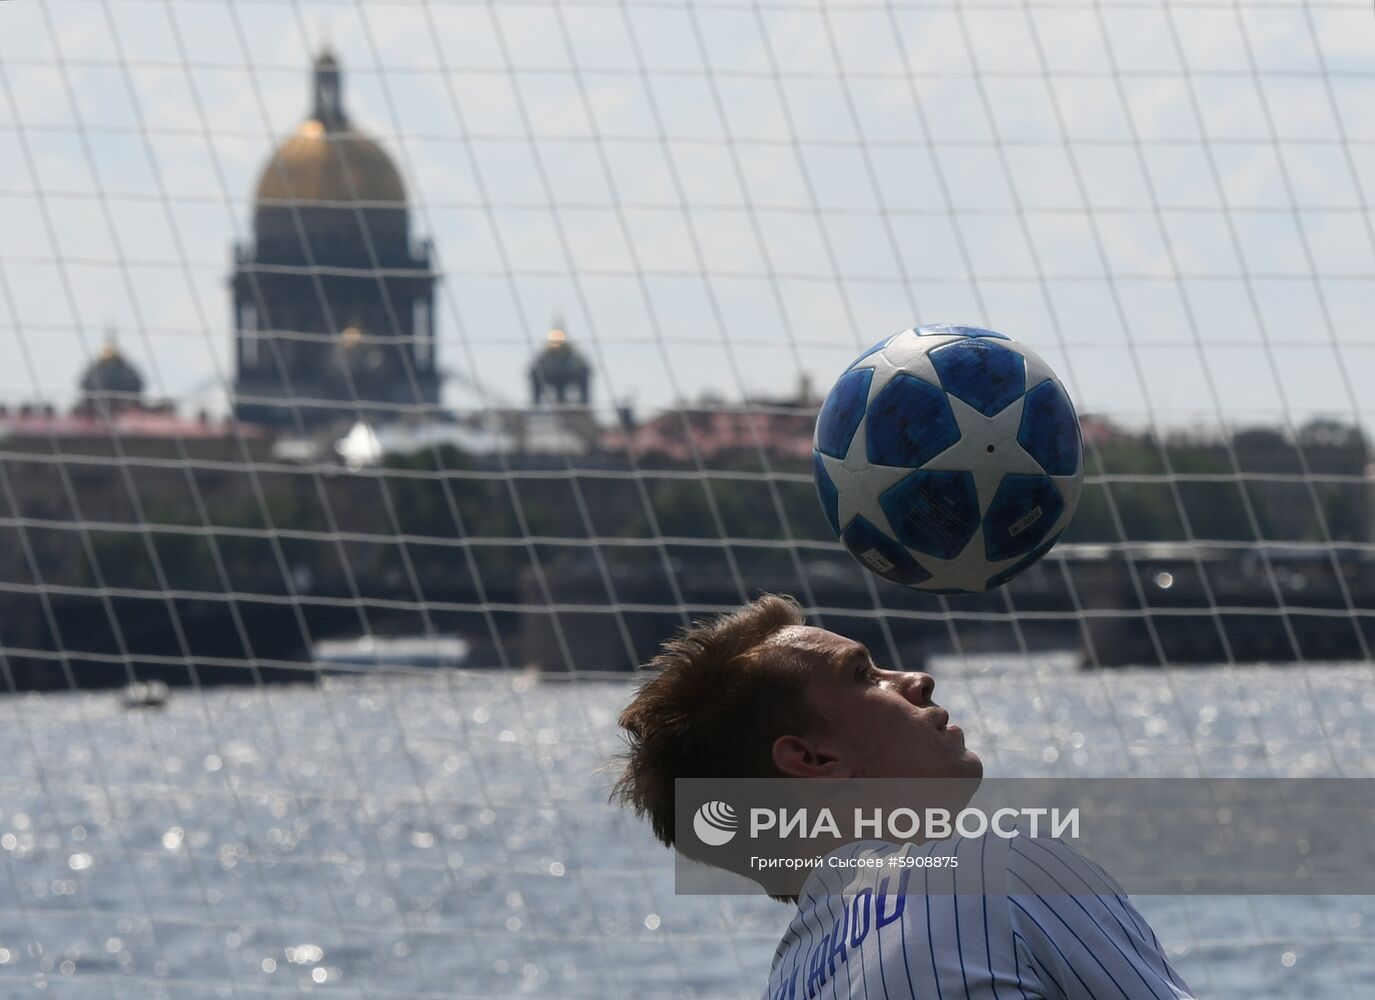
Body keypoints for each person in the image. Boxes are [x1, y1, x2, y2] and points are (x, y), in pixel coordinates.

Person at [614, 594, 1195, 1000]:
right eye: (864, 675)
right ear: (813, 760)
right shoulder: (1001, 873)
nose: (915, 680)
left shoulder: (783, 984)